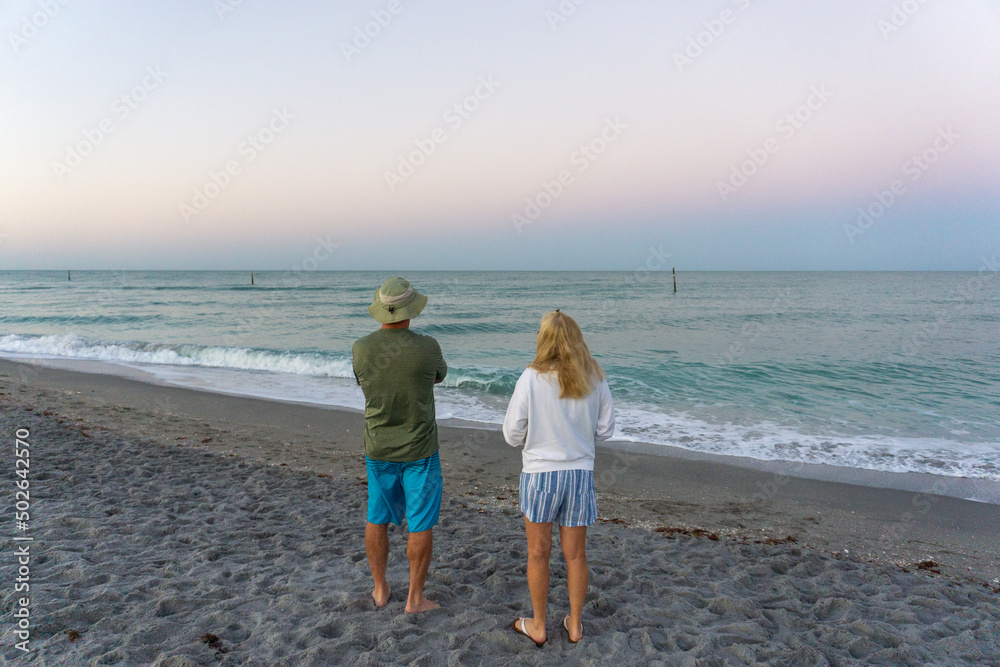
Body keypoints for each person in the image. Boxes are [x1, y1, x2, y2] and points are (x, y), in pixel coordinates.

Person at [502, 310, 615, 647]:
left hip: (540, 476)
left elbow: (511, 433)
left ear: (543, 338)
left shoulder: (531, 378)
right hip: (579, 475)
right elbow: (606, 430)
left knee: (538, 552)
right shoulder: (594, 376)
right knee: (575, 555)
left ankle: (538, 624)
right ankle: (575, 623)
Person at [352, 277, 447, 613]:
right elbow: (439, 376)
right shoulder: (428, 346)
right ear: (411, 309)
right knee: (420, 523)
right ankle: (414, 599)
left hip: (379, 447)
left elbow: (363, 380)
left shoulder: (361, 348)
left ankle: (380, 589)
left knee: (376, 517)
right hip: (420, 449)